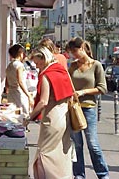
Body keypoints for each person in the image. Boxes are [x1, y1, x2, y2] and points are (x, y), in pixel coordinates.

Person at [25, 46, 74, 179]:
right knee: (60, 154)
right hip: (64, 117)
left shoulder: (47, 75)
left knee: (44, 153)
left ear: (44, 58)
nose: (37, 66)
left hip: (51, 119)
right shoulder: (62, 71)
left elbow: (43, 102)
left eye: (38, 63)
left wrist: (29, 118)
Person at [67, 37, 109, 179]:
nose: (74, 54)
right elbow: (67, 84)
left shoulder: (96, 65)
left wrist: (83, 92)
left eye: (75, 51)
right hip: (73, 109)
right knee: (77, 145)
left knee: (93, 144)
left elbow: (102, 88)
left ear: (82, 48)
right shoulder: (72, 66)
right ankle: (79, 175)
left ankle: (103, 174)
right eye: (71, 52)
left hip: (88, 108)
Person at [5, 44, 34, 115]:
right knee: (23, 114)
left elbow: (7, 82)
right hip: (19, 93)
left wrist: (6, 92)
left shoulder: (9, 66)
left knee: (13, 115)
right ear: (20, 53)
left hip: (11, 93)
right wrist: (28, 95)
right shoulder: (19, 65)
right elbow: (20, 81)